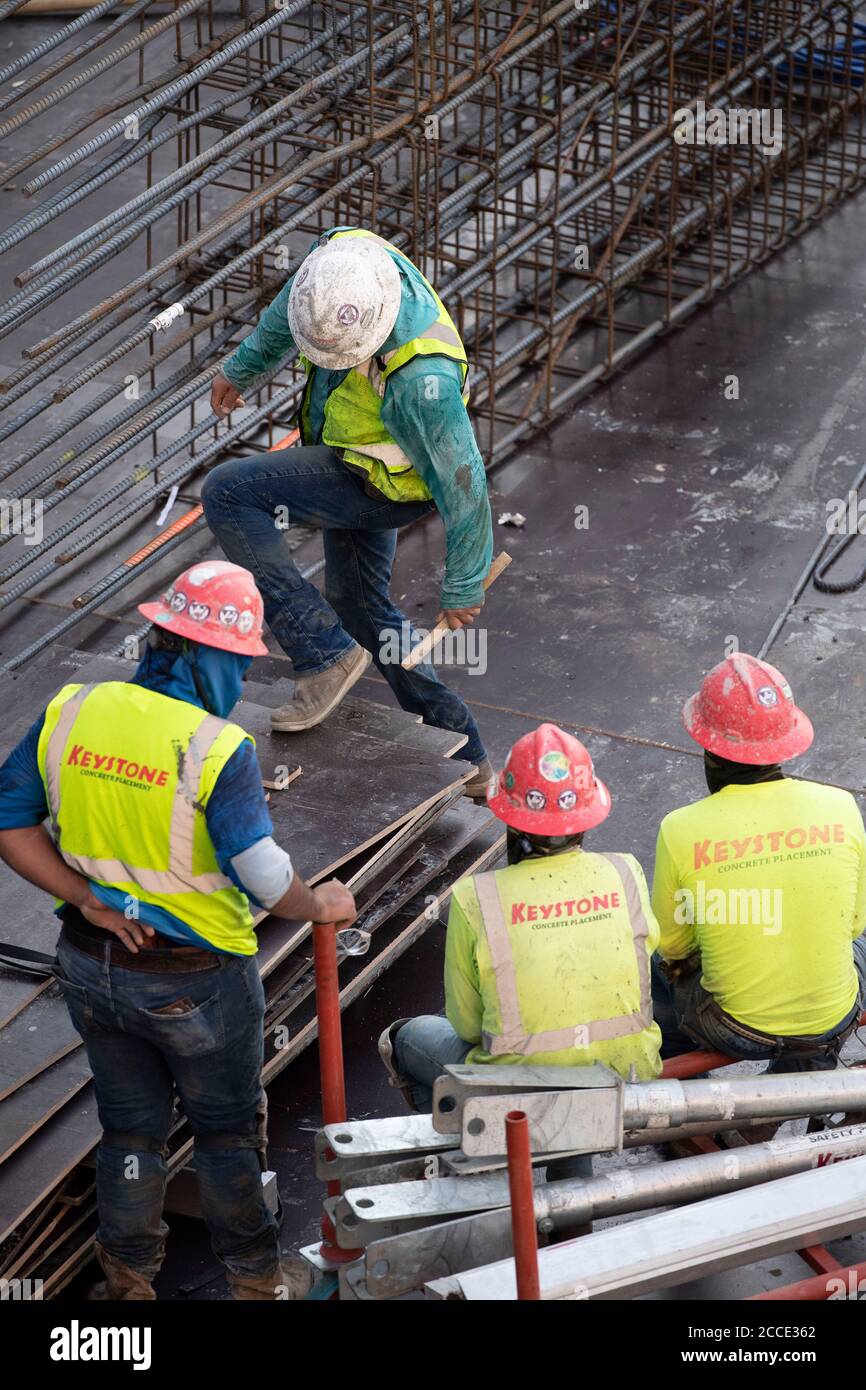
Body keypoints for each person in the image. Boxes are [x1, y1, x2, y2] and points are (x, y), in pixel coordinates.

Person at [0, 560, 356, 1301]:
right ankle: (258, 1284)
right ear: (207, 654)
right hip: (197, 983)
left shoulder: (73, 709)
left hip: (91, 964)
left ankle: (129, 1284)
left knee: (130, 1131)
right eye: (240, 660)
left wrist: (85, 896)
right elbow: (262, 877)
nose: (243, 676)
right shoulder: (216, 750)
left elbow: (10, 821)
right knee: (226, 1134)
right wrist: (319, 905)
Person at [201, 226, 494, 796]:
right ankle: (468, 753)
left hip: (384, 488)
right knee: (361, 609)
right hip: (347, 452)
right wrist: (241, 368)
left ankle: (320, 651)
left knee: (229, 492)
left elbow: (466, 483)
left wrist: (464, 584)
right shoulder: (344, 257)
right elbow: (293, 304)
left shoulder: (421, 383)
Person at [379, 723, 662, 1181]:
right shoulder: (625, 871)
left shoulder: (476, 898)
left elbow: (469, 1027)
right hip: (627, 1073)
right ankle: (568, 1186)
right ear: (585, 817)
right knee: (572, 1072)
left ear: (509, 818)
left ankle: (481, 1156)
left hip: (519, 1091)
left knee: (406, 1037)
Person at [651, 652, 866, 1073]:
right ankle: (803, 1075)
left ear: (707, 744)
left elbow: (674, 947)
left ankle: (682, 1091)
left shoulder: (681, 828)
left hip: (735, 1029)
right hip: (834, 1017)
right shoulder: (840, 806)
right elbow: (855, 923)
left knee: (658, 972)